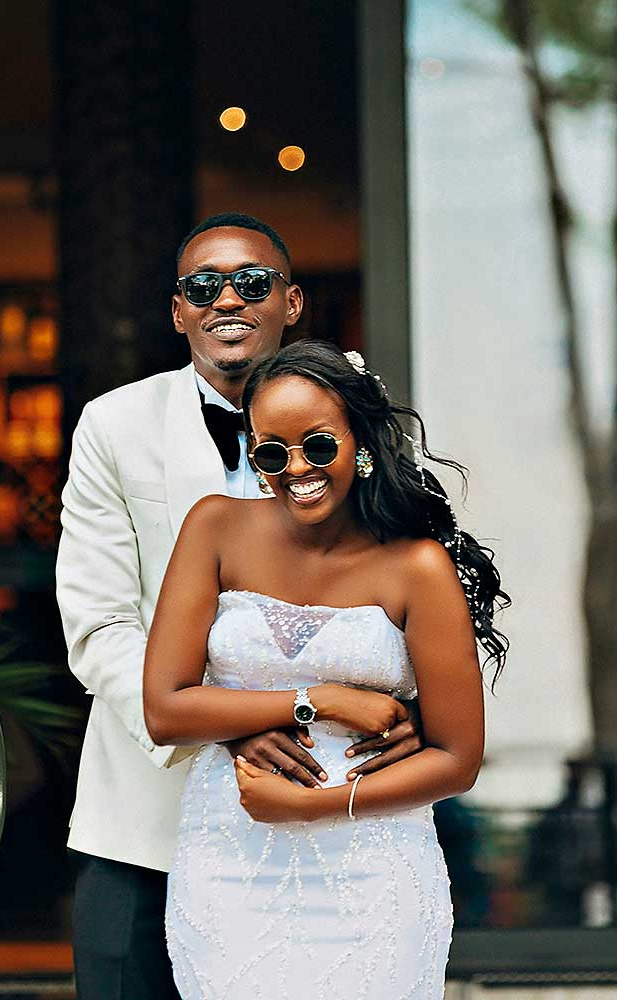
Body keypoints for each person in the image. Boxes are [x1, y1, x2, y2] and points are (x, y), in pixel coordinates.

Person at [56, 213, 424, 1000]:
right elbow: (99, 625)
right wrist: (236, 716)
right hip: (144, 820)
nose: (228, 299)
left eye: (251, 283)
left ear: (290, 303)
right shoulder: (113, 424)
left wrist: (409, 712)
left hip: (334, 820)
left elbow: (407, 588)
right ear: (178, 310)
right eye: (203, 285)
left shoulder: (356, 415)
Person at [143, 340, 510, 999]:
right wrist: (322, 699)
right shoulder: (215, 528)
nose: (295, 470)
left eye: (317, 446)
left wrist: (314, 805)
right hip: (227, 865)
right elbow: (166, 709)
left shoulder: (416, 566)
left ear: (359, 442)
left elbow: (457, 759)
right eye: (270, 452)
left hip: (373, 873)